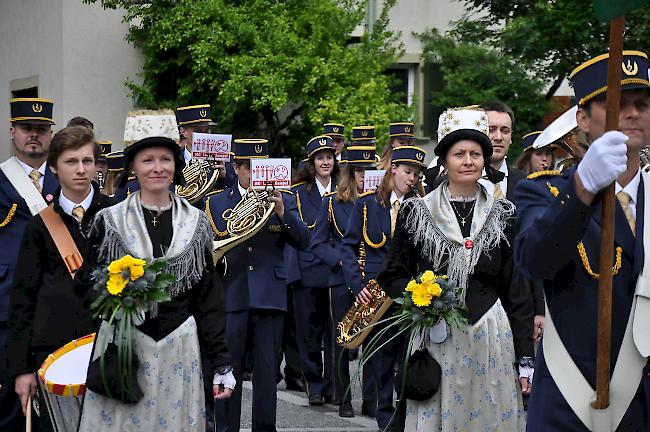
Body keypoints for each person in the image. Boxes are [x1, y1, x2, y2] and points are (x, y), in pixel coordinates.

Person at [516, 50, 650, 431]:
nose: (632, 112)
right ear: (582, 120)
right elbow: (536, 260)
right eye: (616, 103)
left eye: (642, 103)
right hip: (570, 404)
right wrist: (584, 188)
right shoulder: (545, 193)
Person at [378, 107, 534, 431]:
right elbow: (391, 274)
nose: (468, 160)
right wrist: (420, 296)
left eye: (475, 154)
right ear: (445, 161)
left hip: (490, 338)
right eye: (459, 153)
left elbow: (517, 289)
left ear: (484, 160)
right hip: (436, 341)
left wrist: (526, 359)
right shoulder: (415, 212)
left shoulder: (504, 215)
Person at [76, 136, 233, 431]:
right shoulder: (109, 221)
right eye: (148, 160)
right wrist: (112, 293)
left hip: (179, 348)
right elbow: (85, 287)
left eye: (165, 159)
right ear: (133, 166)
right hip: (124, 349)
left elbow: (209, 300)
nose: (157, 168)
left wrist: (221, 362)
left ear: (176, 165)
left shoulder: (197, 224)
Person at [6, 126, 114, 430]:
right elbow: (22, 300)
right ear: (54, 167)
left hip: (108, 354)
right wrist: (21, 369)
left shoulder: (116, 216)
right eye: (71, 162)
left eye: (87, 161)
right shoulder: (40, 227)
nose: (81, 170)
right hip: (53, 356)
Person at [206, 138, 309, 432]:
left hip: (270, 296)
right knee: (227, 371)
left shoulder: (283, 199)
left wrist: (280, 212)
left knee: (266, 373)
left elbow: (303, 240)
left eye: (260, 167)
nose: (255, 174)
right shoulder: (216, 202)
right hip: (232, 292)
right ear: (237, 168)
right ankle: (226, 428)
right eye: (249, 168)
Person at [341, 145, 426, 432]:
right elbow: (348, 246)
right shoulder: (367, 204)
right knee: (381, 360)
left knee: (406, 360)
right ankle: (386, 418)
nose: (412, 179)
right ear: (393, 170)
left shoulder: (421, 206)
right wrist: (357, 286)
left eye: (416, 174)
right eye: (407, 172)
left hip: (409, 295)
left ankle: (404, 416)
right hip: (375, 294)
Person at [0, 98, 58, 431]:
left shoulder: (65, 180)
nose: (33, 136)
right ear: (12, 133)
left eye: (40, 129)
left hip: (54, 306)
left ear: (50, 135)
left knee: (56, 406)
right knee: (11, 404)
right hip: (7, 307)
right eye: (26, 129)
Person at [310, 144, 378, 418]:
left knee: (373, 340)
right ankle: (344, 398)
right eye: (358, 171)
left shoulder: (379, 201)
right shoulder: (332, 202)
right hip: (341, 279)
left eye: (368, 171)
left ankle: (371, 400)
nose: (363, 176)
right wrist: (340, 260)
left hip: (372, 281)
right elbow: (317, 243)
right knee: (342, 340)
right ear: (350, 173)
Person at [287, 135, 341, 406]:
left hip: (335, 273)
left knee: (335, 334)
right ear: (311, 163)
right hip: (308, 272)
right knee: (309, 333)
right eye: (320, 158)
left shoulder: (343, 190)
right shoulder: (297, 194)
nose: (325, 162)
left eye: (329, 157)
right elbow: (296, 237)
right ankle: (315, 386)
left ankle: (333, 386)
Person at [177, 104, 235, 190]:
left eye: (207, 130)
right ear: (183, 131)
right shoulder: (173, 160)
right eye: (198, 131)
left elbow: (239, 194)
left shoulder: (226, 159)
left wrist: (225, 177)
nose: (204, 136)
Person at [476, 101, 526, 200]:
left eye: (505, 131)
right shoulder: (454, 182)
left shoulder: (526, 182)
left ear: (511, 137)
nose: (498, 137)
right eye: (491, 130)